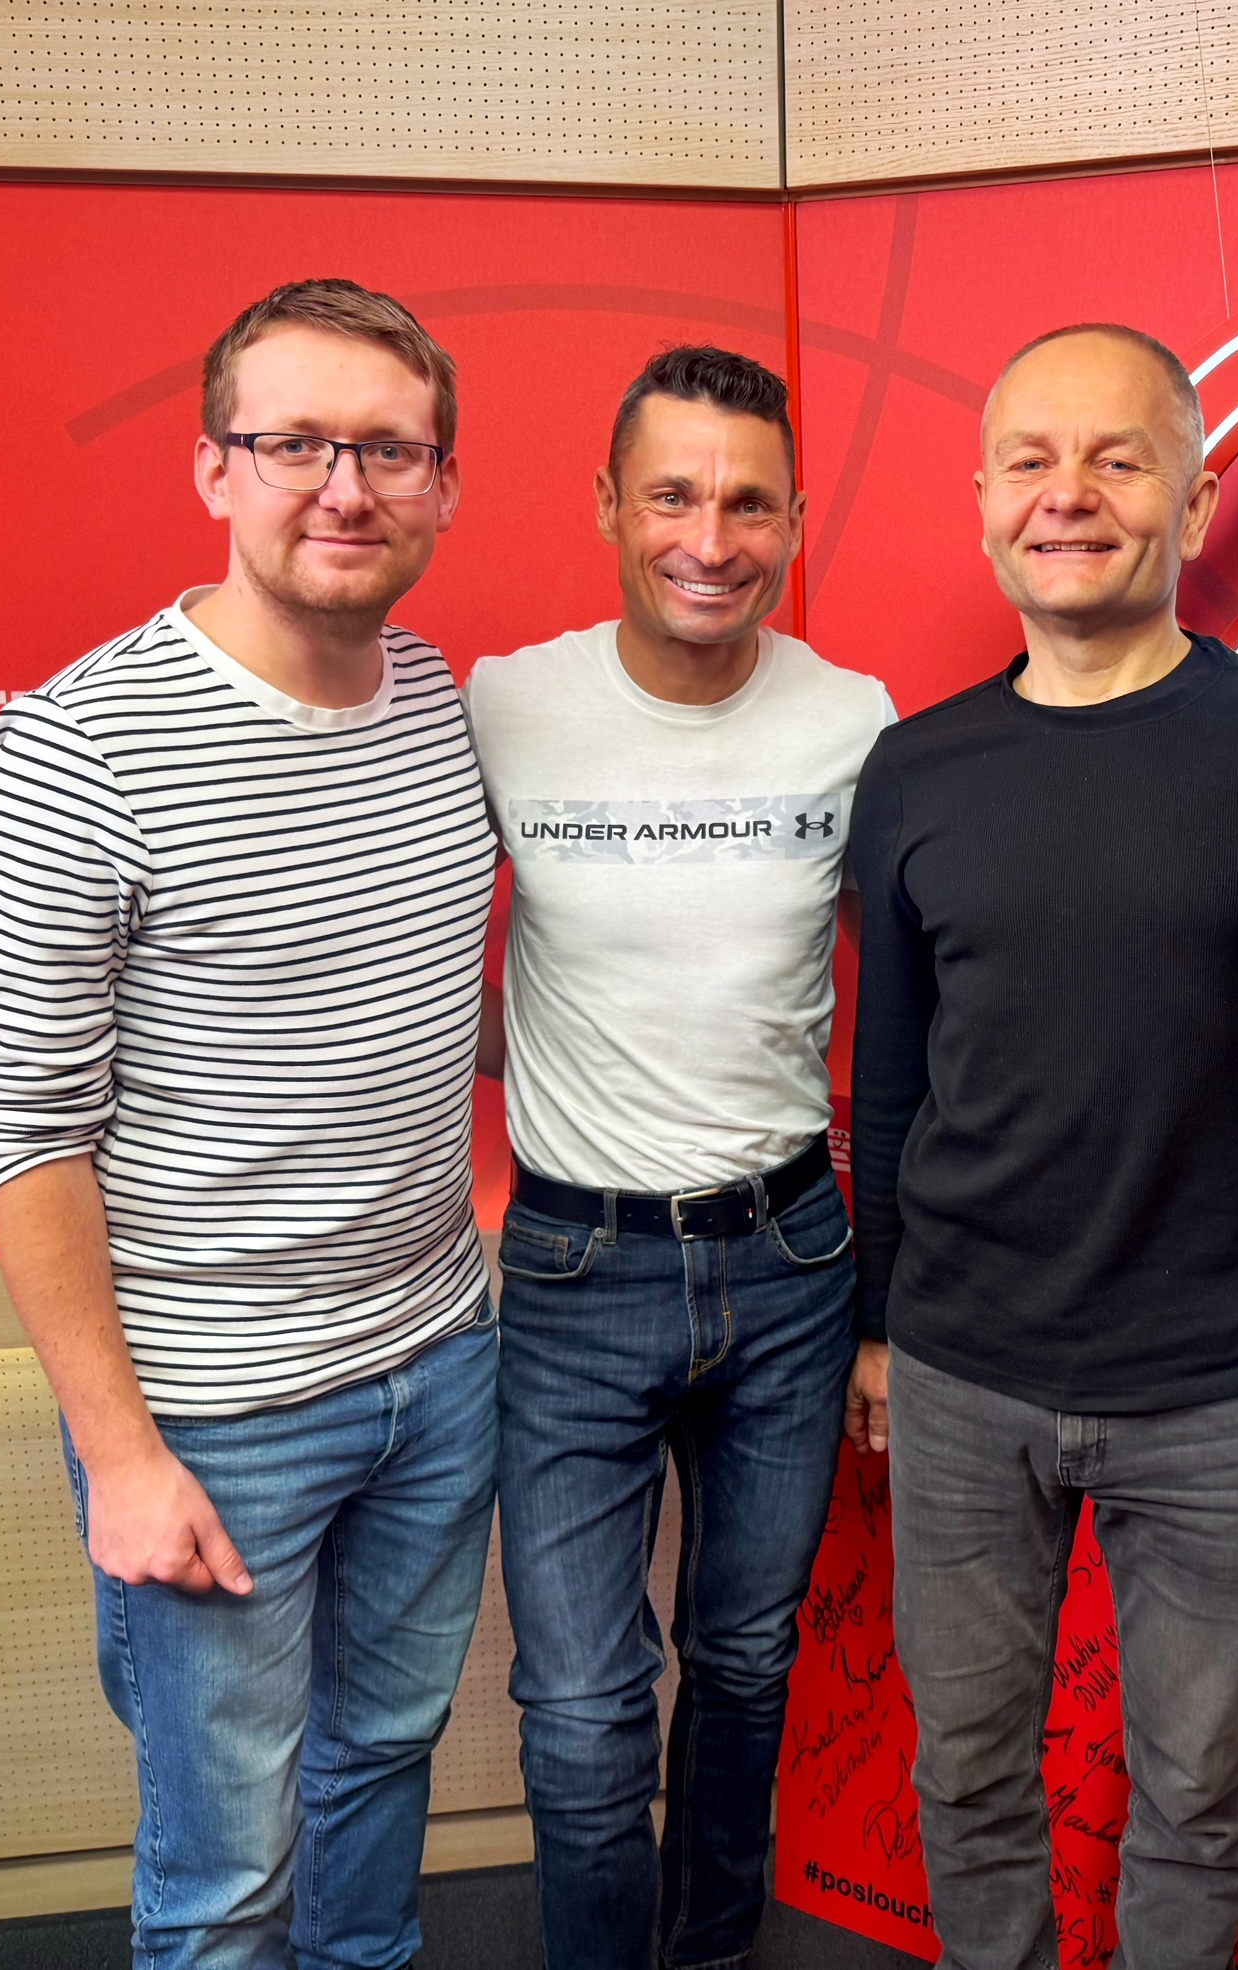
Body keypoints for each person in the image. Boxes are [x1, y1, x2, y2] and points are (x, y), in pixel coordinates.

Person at [0, 279, 498, 1968]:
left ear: (444, 485)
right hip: (214, 1415)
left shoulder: (435, 701)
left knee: (383, 1764)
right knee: (223, 1876)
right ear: (212, 469)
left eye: (388, 449)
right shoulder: (81, 749)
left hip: (441, 1355)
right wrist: (121, 1456)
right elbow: (22, 1127)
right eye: (294, 443)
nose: (344, 485)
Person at [845, 323, 1238, 1970]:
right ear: (984, 502)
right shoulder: (915, 767)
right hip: (962, 1370)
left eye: (1118, 459)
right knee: (966, 1774)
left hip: (1224, 1380)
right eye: (1030, 460)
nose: (1067, 495)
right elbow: (891, 1071)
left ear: (1197, 502)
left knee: (1197, 1790)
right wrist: (877, 1327)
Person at [465, 344, 893, 1970]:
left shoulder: (854, 720)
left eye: (747, 503)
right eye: (671, 496)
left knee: (745, 1664)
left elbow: (921, 1005)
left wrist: (888, 1306)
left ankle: (710, 1954)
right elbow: (412, 946)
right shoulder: (507, 705)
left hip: (791, 1260)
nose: (709, 539)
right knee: (582, 1709)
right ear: (606, 505)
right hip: (575, 1268)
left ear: (795, 520)